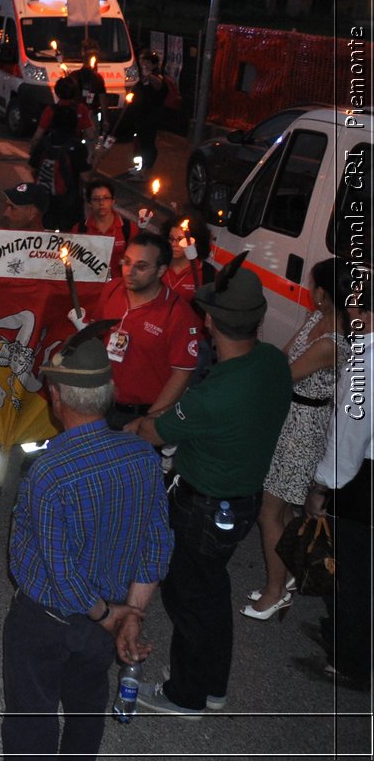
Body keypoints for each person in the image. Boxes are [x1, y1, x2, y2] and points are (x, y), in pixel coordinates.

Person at [126, 260, 292, 717]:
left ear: (210, 321)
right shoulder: (273, 362)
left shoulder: (212, 394)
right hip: (240, 503)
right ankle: (212, 684)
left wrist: (138, 423)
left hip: (202, 509)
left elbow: (153, 433)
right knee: (211, 595)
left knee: (189, 601)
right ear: (257, 320)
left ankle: (188, 694)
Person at [1, 328, 173, 760]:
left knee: (31, 713)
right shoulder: (144, 457)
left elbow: (60, 570)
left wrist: (108, 615)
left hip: (46, 620)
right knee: (86, 707)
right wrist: (130, 614)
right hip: (106, 619)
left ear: (57, 397)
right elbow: (156, 543)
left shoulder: (49, 473)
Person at [243, 258, 351, 621]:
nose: (309, 291)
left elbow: (285, 374)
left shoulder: (333, 341)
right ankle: (284, 576)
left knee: (268, 512)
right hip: (290, 418)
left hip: (303, 428)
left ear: (322, 292)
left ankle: (274, 592)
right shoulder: (316, 319)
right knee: (284, 509)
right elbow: (285, 356)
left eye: (312, 285)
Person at [300, 261, 372, 690]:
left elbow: (347, 439)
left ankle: (351, 661)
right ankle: (343, 636)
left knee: (354, 574)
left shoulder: (366, 361)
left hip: (363, 481)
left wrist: (319, 488)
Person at [75, 233, 201, 433]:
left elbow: (182, 373)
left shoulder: (177, 314)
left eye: (141, 266)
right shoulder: (113, 289)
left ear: (161, 270)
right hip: (101, 403)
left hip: (138, 415)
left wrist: (149, 422)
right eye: (126, 262)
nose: (129, 272)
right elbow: (98, 333)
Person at [29, 75, 94, 230]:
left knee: (47, 229)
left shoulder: (50, 111)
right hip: (71, 195)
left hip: (48, 195)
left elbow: (37, 136)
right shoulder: (81, 109)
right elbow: (91, 135)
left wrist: (34, 152)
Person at [122, 52, 170, 180]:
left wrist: (148, 75)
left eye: (147, 62)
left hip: (150, 117)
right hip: (139, 115)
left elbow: (159, 85)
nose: (144, 65)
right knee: (139, 142)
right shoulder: (141, 79)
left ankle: (146, 169)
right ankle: (139, 167)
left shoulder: (156, 77)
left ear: (154, 65)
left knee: (147, 142)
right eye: (142, 62)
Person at [73, 178, 134, 277]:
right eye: (96, 199)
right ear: (89, 203)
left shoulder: (129, 228)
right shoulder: (79, 229)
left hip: (119, 287)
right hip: (89, 288)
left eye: (106, 198)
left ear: (113, 201)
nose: (101, 203)